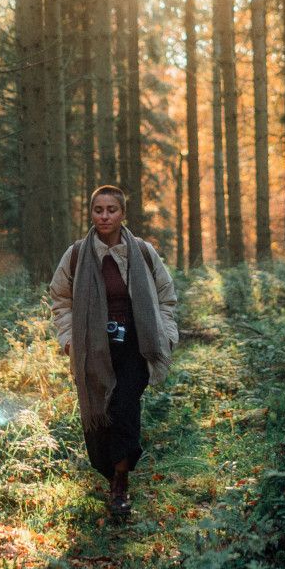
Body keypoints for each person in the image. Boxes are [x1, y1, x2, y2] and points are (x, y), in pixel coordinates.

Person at [48, 185, 179, 517]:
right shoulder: (77, 254)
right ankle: (111, 469)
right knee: (102, 414)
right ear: (91, 213)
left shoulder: (143, 252)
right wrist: (68, 340)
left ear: (123, 214)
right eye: (98, 210)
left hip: (137, 343)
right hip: (93, 346)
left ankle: (120, 485)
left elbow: (166, 296)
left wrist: (166, 336)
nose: (104, 216)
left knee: (124, 406)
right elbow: (60, 300)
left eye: (111, 210)